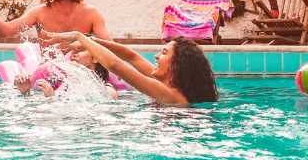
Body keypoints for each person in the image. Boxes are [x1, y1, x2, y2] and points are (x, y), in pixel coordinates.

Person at [40, 31, 218, 106]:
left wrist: (79, 35)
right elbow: (131, 56)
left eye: (163, 53)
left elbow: (115, 65)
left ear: (177, 65)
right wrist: (92, 41)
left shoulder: (171, 95)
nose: (156, 56)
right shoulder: (165, 84)